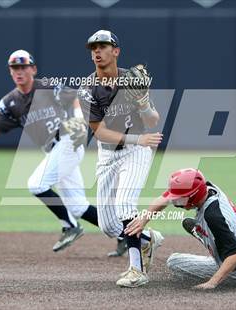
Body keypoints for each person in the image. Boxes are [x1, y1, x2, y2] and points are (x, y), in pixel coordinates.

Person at [0, 49, 123, 255]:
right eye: (14, 68)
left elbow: (73, 97)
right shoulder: (9, 103)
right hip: (55, 150)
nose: (19, 72)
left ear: (33, 69)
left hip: (69, 140)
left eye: (23, 67)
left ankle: (70, 226)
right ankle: (126, 235)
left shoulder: (47, 86)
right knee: (78, 207)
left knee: (37, 184)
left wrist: (76, 117)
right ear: (10, 72)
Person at [78, 30, 164, 287]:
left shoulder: (132, 79)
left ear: (116, 51)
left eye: (103, 46)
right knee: (109, 227)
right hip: (110, 153)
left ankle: (136, 270)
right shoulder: (87, 88)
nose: (97, 51)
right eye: (93, 47)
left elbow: (152, 120)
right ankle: (148, 239)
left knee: (125, 204)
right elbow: (99, 132)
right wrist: (138, 139)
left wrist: (144, 103)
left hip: (136, 152)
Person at [125, 168, 236, 290]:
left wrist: (212, 282)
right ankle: (204, 232)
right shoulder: (208, 188)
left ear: (193, 197)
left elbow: (235, 255)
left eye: (179, 199)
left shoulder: (212, 216)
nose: (175, 202)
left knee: (174, 262)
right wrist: (143, 219)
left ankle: (203, 232)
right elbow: (163, 199)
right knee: (221, 233)